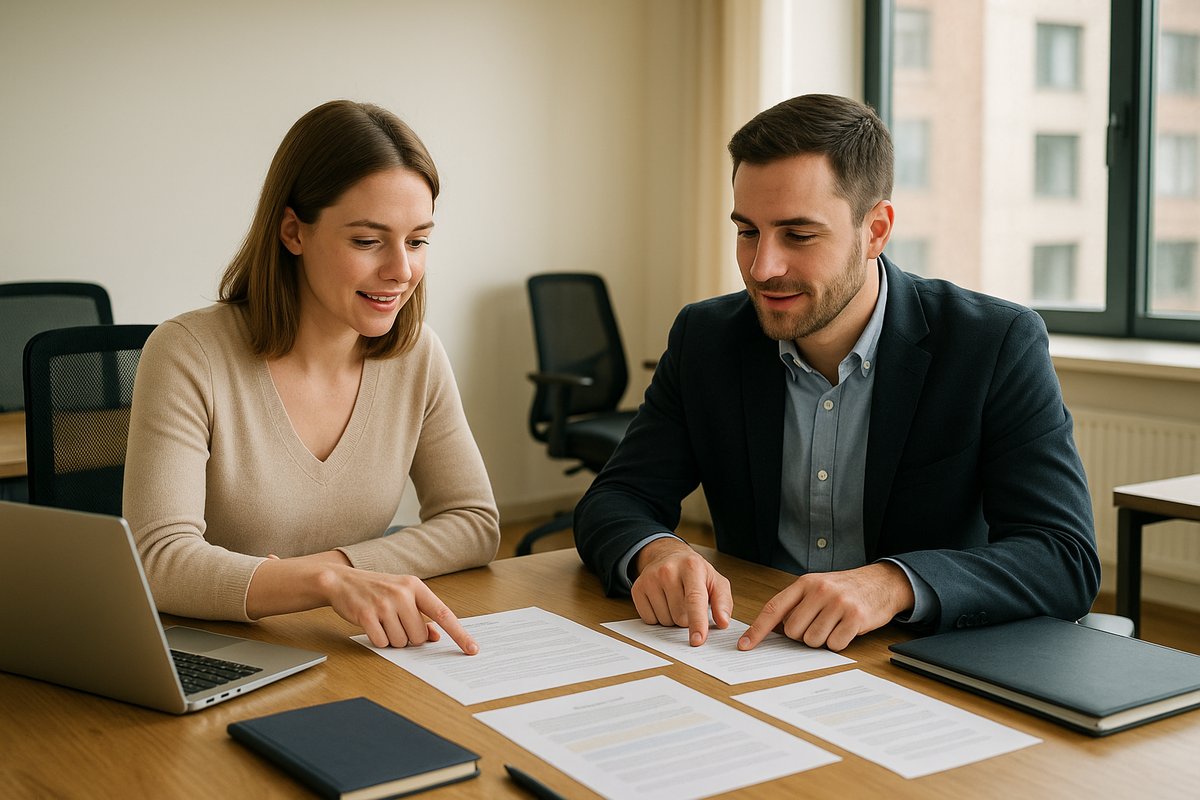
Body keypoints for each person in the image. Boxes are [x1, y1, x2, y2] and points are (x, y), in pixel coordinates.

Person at [574, 93, 1100, 652]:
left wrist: (894, 583)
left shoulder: (993, 344)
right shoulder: (706, 339)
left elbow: (1062, 557)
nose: (762, 268)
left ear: (875, 230)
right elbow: (616, 498)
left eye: (798, 235)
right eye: (748, 231)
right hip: (748, 652)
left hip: (914, 662)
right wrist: (660, 551)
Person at [124, 100, 499, 654]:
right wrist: (325, 583)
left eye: (417, 241)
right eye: (368, 241)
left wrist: (342, 568)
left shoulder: (417, 355)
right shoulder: (188, 354)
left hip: (354, 647)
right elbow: (159, 559)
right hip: (214, 654)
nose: (401, 270)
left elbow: (473, 522)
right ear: (294, 232)